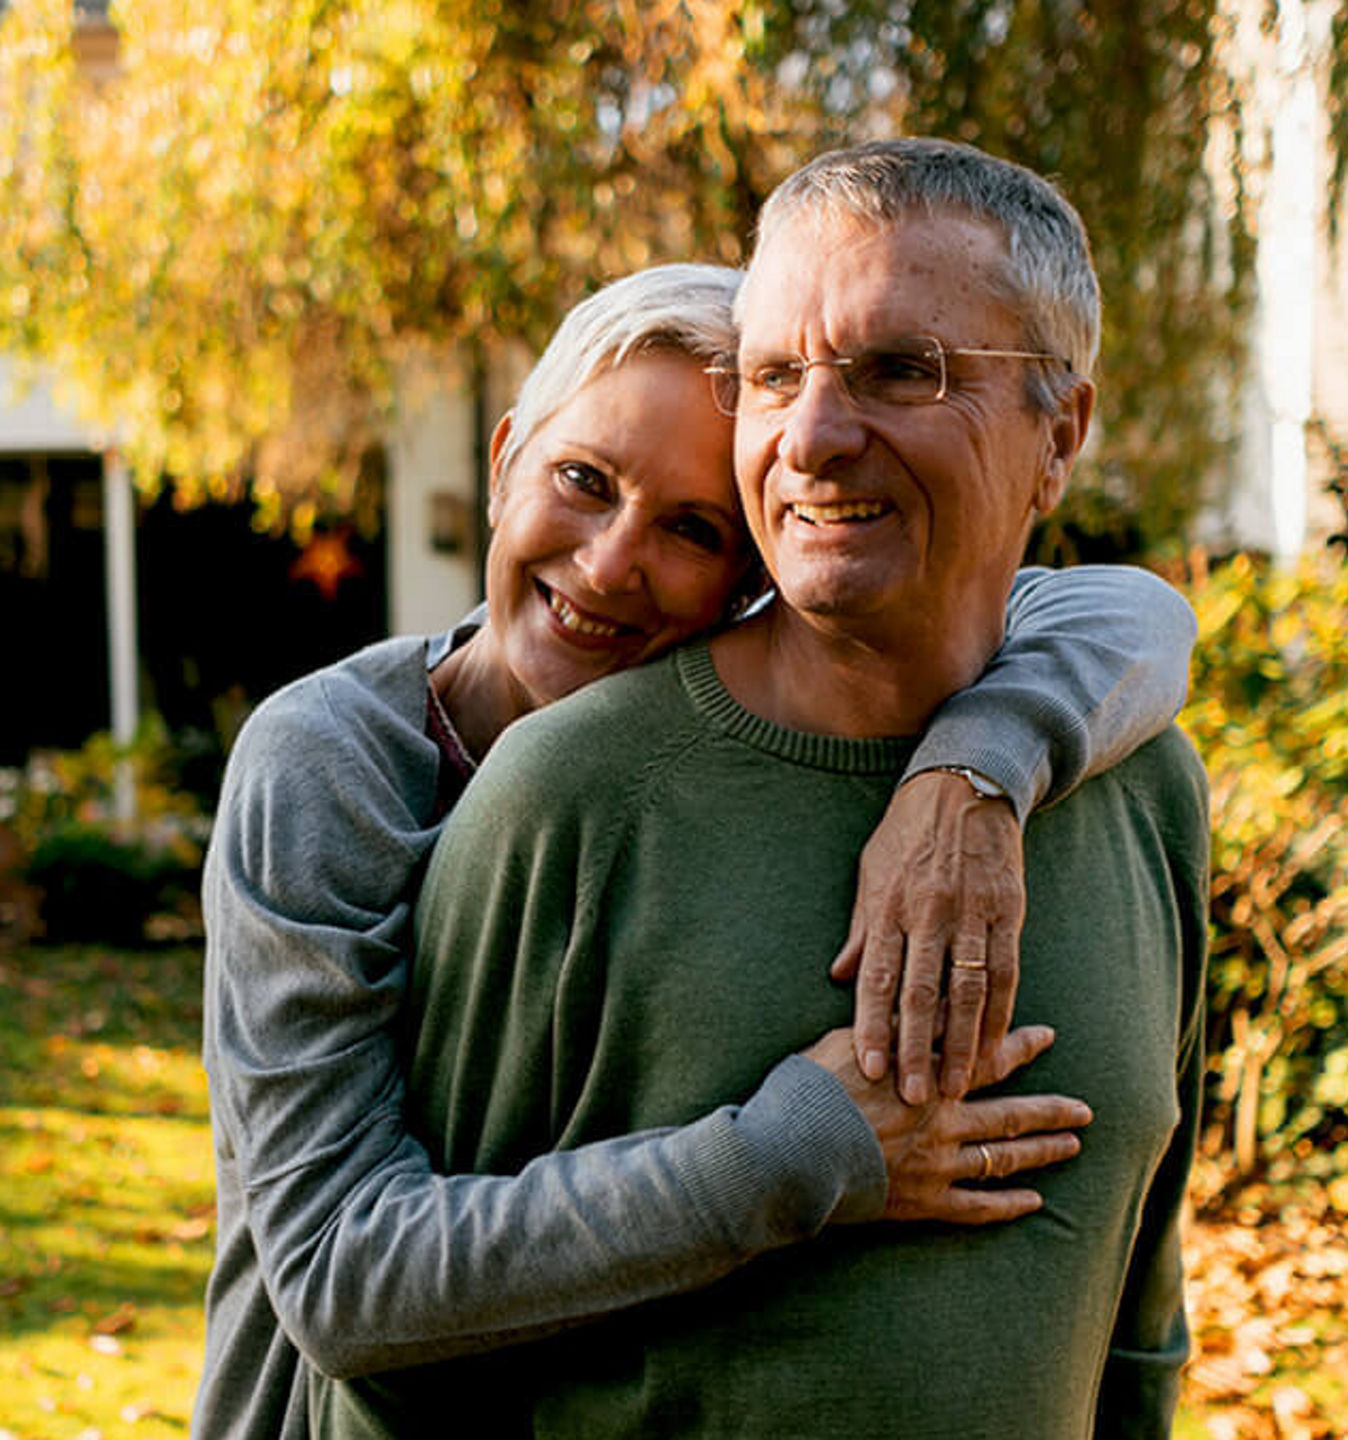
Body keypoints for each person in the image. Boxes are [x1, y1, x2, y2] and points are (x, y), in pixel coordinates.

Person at [197, 261, 1196, 1438]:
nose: (614, 563)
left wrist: (970, 769)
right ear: (508, 455)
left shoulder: (695, 766)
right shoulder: (330, 761)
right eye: (582, 480)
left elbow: (1131, 614)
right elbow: (342, 1273)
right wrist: (804, 1152)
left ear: (756, 574)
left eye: (691, 528)